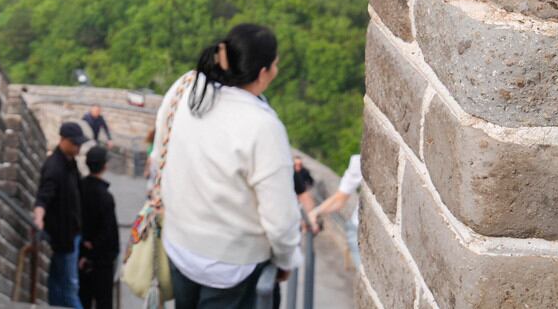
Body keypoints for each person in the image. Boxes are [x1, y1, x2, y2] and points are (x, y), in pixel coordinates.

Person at [154, 23, 303, 309]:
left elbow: (160, 149)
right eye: (275, 65)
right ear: (262, 73)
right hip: (232, 265)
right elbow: (280, 218)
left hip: (180, 246)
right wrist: (286, 259)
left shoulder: (186, 87)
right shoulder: (262, 127)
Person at [35, 120, 87, 307]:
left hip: (71, 233)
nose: (78, 148)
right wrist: (38, 218)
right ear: (63, 140)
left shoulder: (69, 162)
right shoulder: (54, 167)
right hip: (63, 234)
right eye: (75, 144)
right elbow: (43, 196)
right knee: (69, 286)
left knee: (57, 281)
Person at [77, 145, 119, 309]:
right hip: (101, 259)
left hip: (81, 252)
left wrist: (85, 245)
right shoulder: (105, 197)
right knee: (103, 300)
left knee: (83, 297)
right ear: (104, 166)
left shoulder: (79, 187)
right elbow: (109, 231)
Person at [310, 153, 364, 272]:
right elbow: (339, 200)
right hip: (359, 231)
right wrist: (315, 213)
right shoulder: (359, 161)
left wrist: (315, 213)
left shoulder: (361, 160)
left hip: (359, 228)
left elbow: (339, 201)